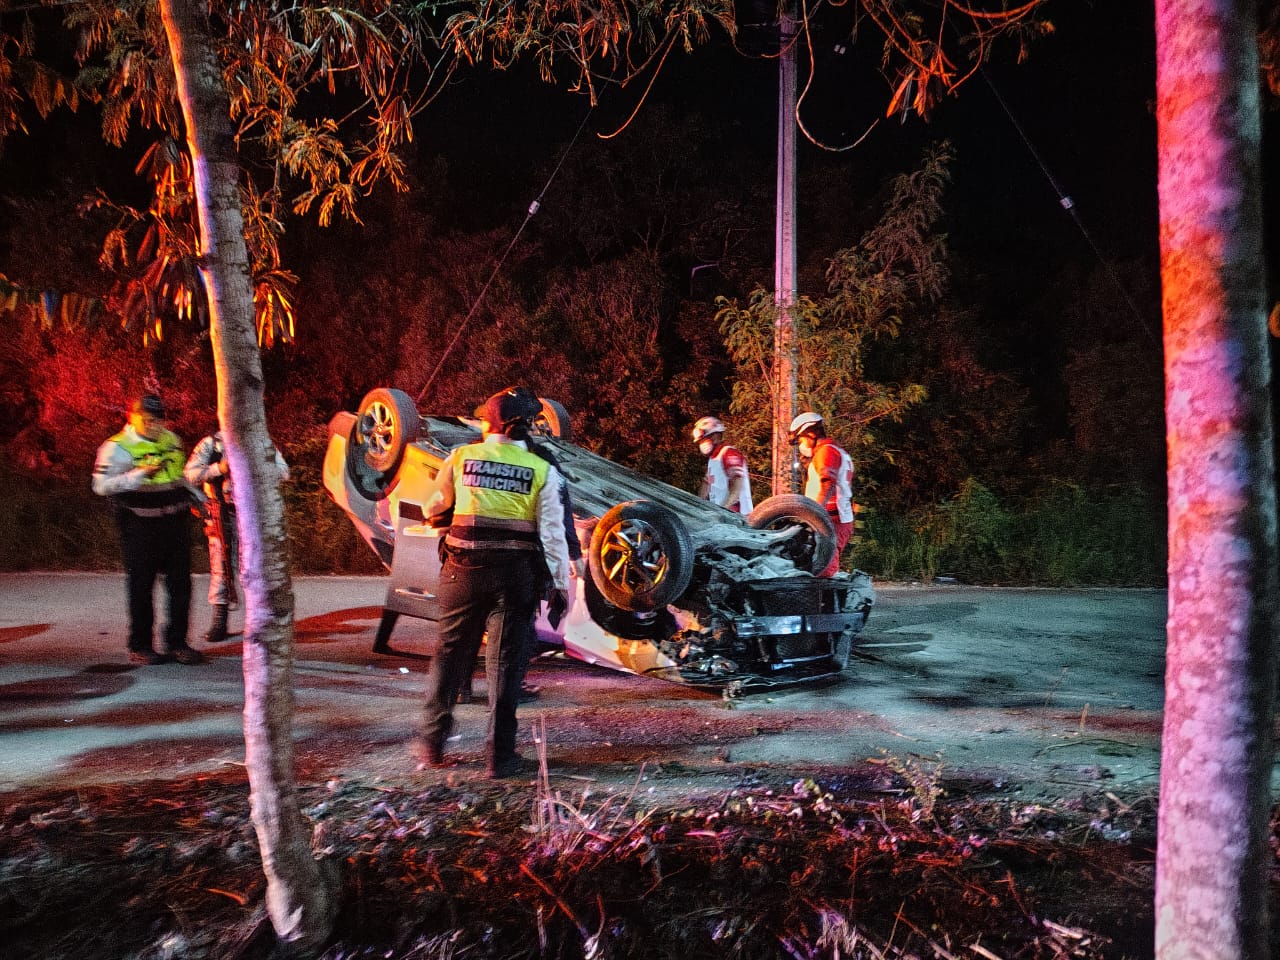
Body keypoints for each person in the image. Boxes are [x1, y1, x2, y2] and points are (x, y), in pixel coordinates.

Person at [414, 388, 572, 778]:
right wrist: (560, 584)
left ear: (487, 424)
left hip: (461, 571)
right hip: (514, 577)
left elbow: (433, 508)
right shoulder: (541, 469)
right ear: (523, 426)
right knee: (504, 665)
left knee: (450, 655)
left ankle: (432, 746)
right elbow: (552, 533)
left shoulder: (460, 457)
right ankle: (499, 759)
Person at [92, 394, 205, 665]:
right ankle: (140, 645)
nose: (154, 425)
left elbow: (178, 478)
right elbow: (101, 486)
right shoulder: (117, 448)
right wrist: (138, 474)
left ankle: (177, 643)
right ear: (132, 417)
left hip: (175, 522)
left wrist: (199, 499)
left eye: (159, 420)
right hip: (139, 525)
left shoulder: (172, 440)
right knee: (141, 586)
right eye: (148, 419)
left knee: (181, 585)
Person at [185, 430, 290, 643]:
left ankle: (260, 620)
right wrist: (219, 469)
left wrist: (256, 467)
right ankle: (220, 619)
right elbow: (189, 475)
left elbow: (283, 472)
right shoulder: (211, 444)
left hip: (252, 512)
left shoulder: (259, 440)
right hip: (221, 513)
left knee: (256, 567)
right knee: (221, 566)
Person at [788, 411, 856, 578]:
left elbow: (827, 485)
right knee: (820, 565)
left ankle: (829, 595)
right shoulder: (836, 450)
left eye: (801, 440)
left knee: (825, 571)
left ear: (811, 434)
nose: (801, 446)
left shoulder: (826, 452)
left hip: (832, 520)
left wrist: (814, 514)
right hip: (835, 518)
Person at [692, 415, 754, 514]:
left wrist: (723, 510)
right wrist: (698, 509)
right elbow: (706, 485)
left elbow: (736, 488)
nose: (702, 443)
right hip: (721, 516)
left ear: (716, 435)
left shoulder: (729, 454)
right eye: (700, 441)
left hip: (736, 516)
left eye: (705, 439)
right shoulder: (713, 459)